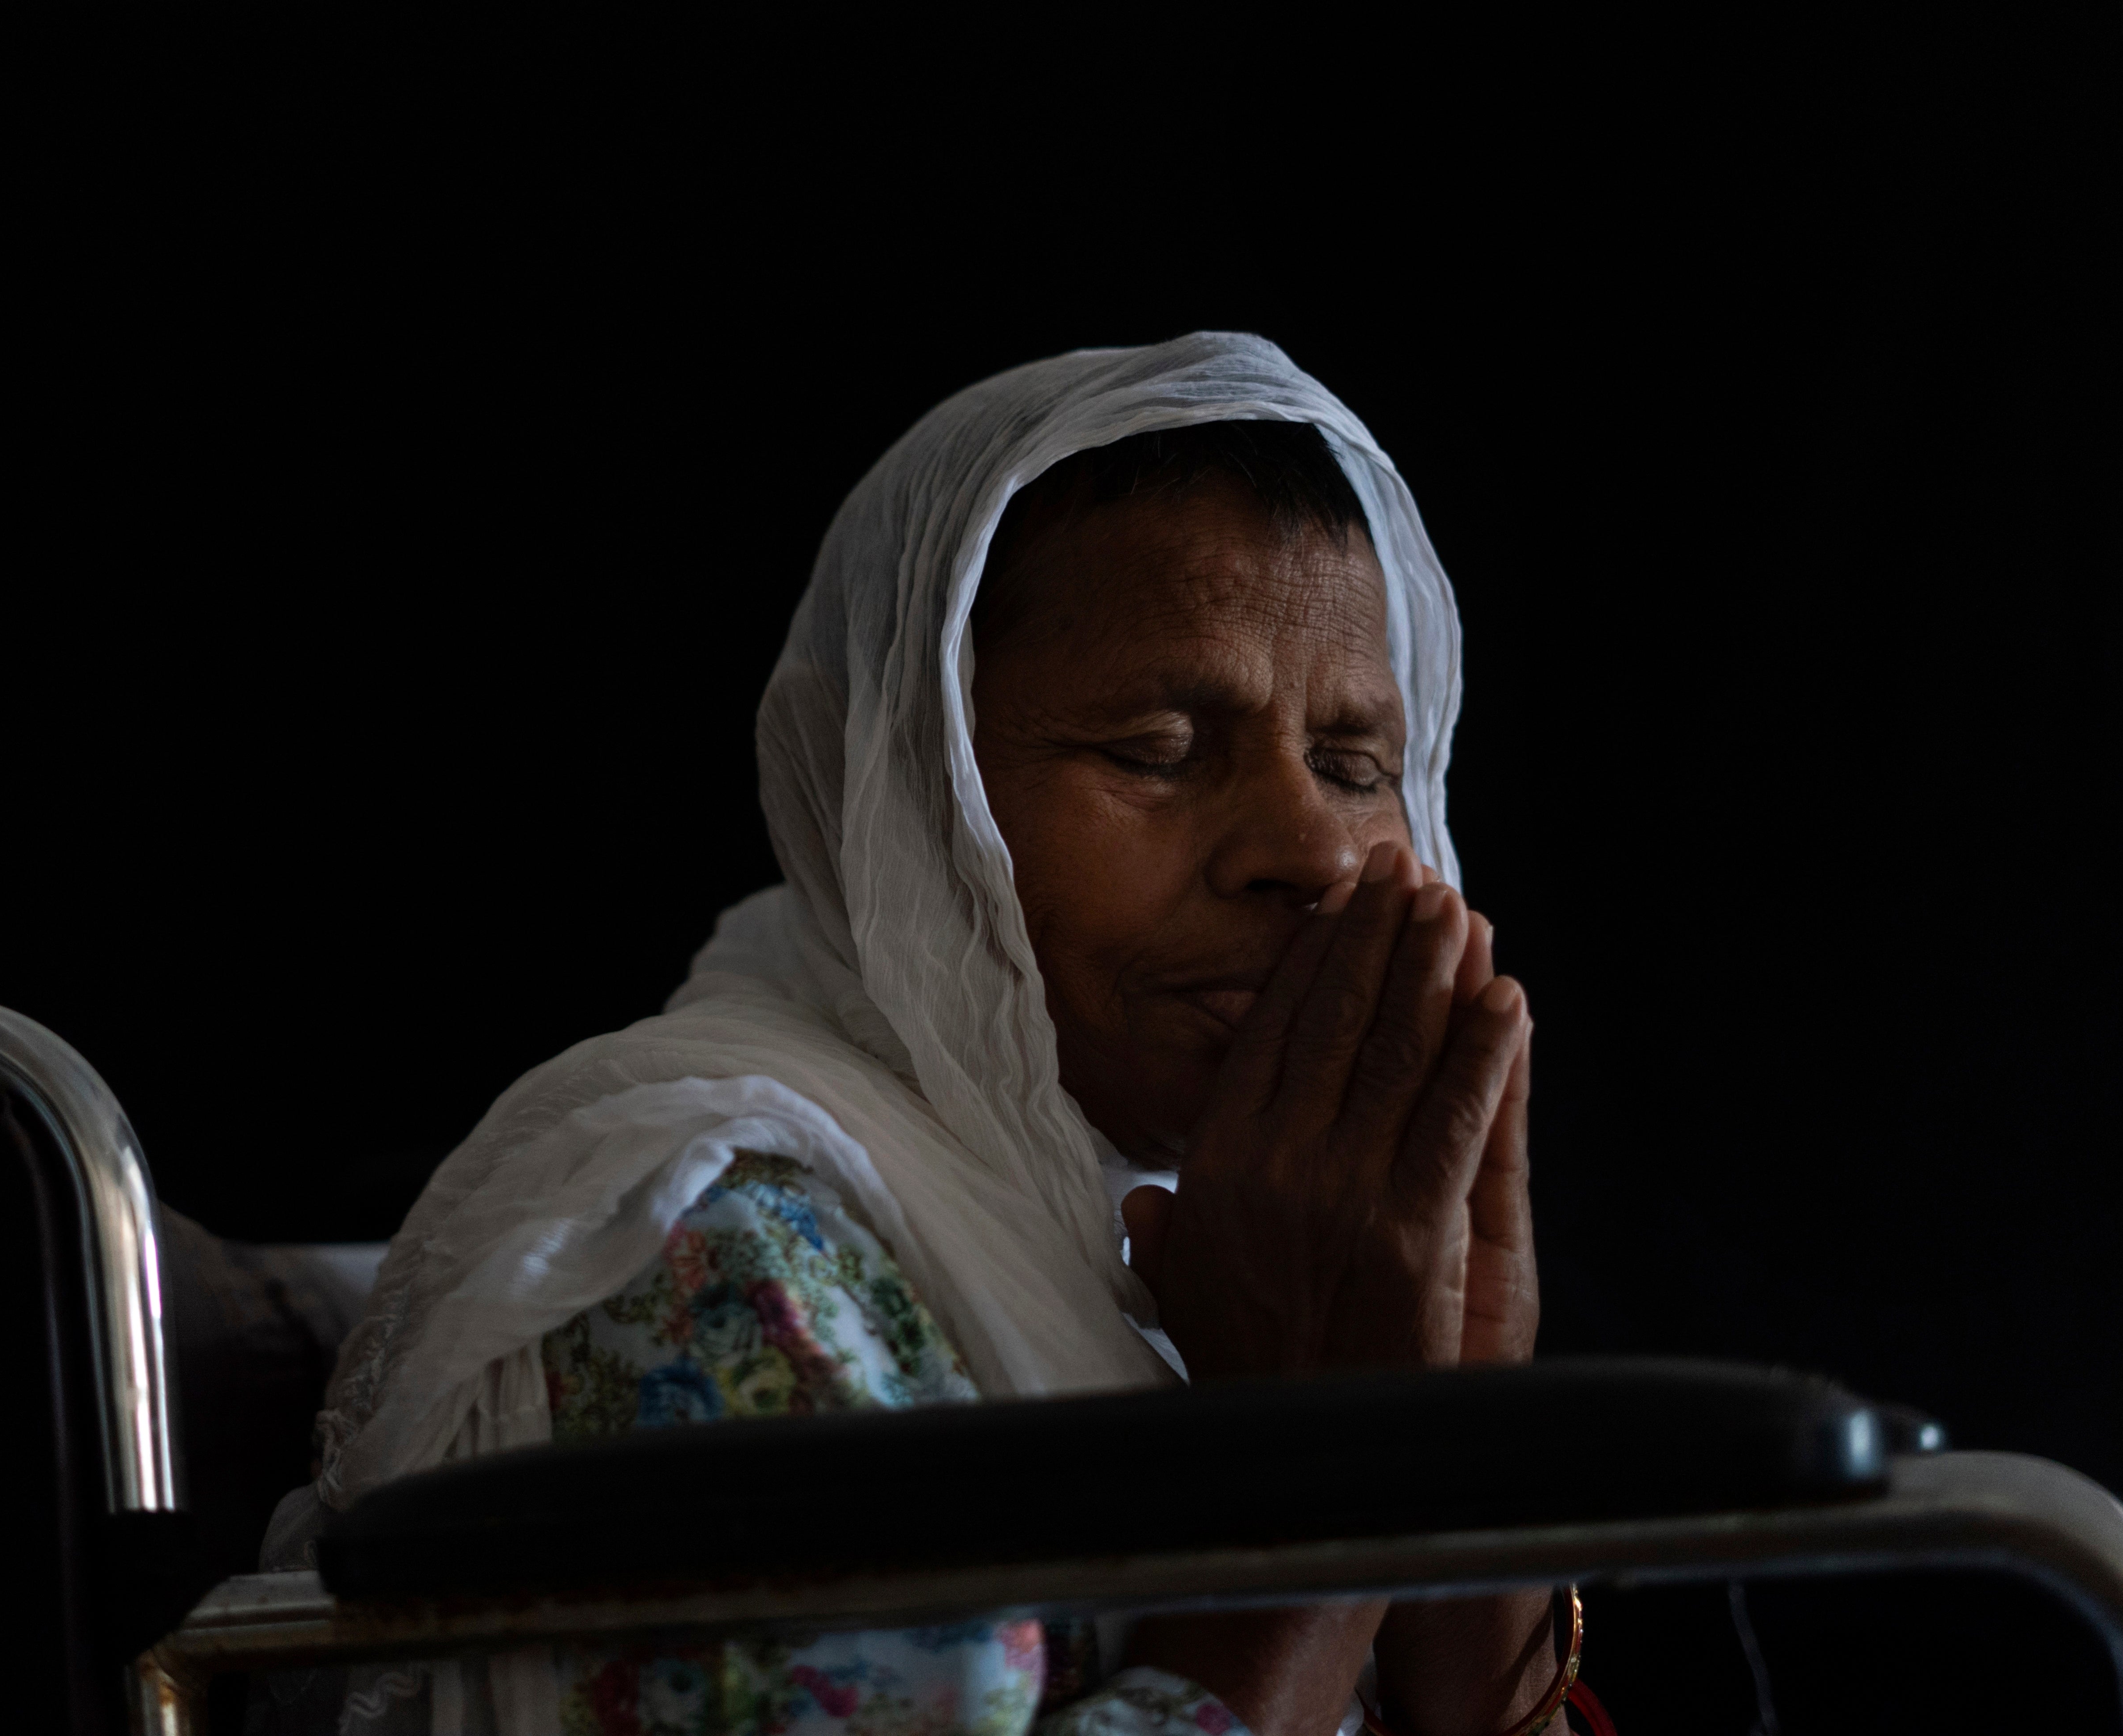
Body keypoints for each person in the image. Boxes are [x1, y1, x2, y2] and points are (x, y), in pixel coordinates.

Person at [259, 333, 1578, 1736]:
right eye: (1153, 750)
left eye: (1353, 766)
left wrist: (1459, 1425)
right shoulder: (704, 1243)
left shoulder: (1245, 1255)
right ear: (901, 796)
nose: (1310, 853)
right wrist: (1333, 1468)